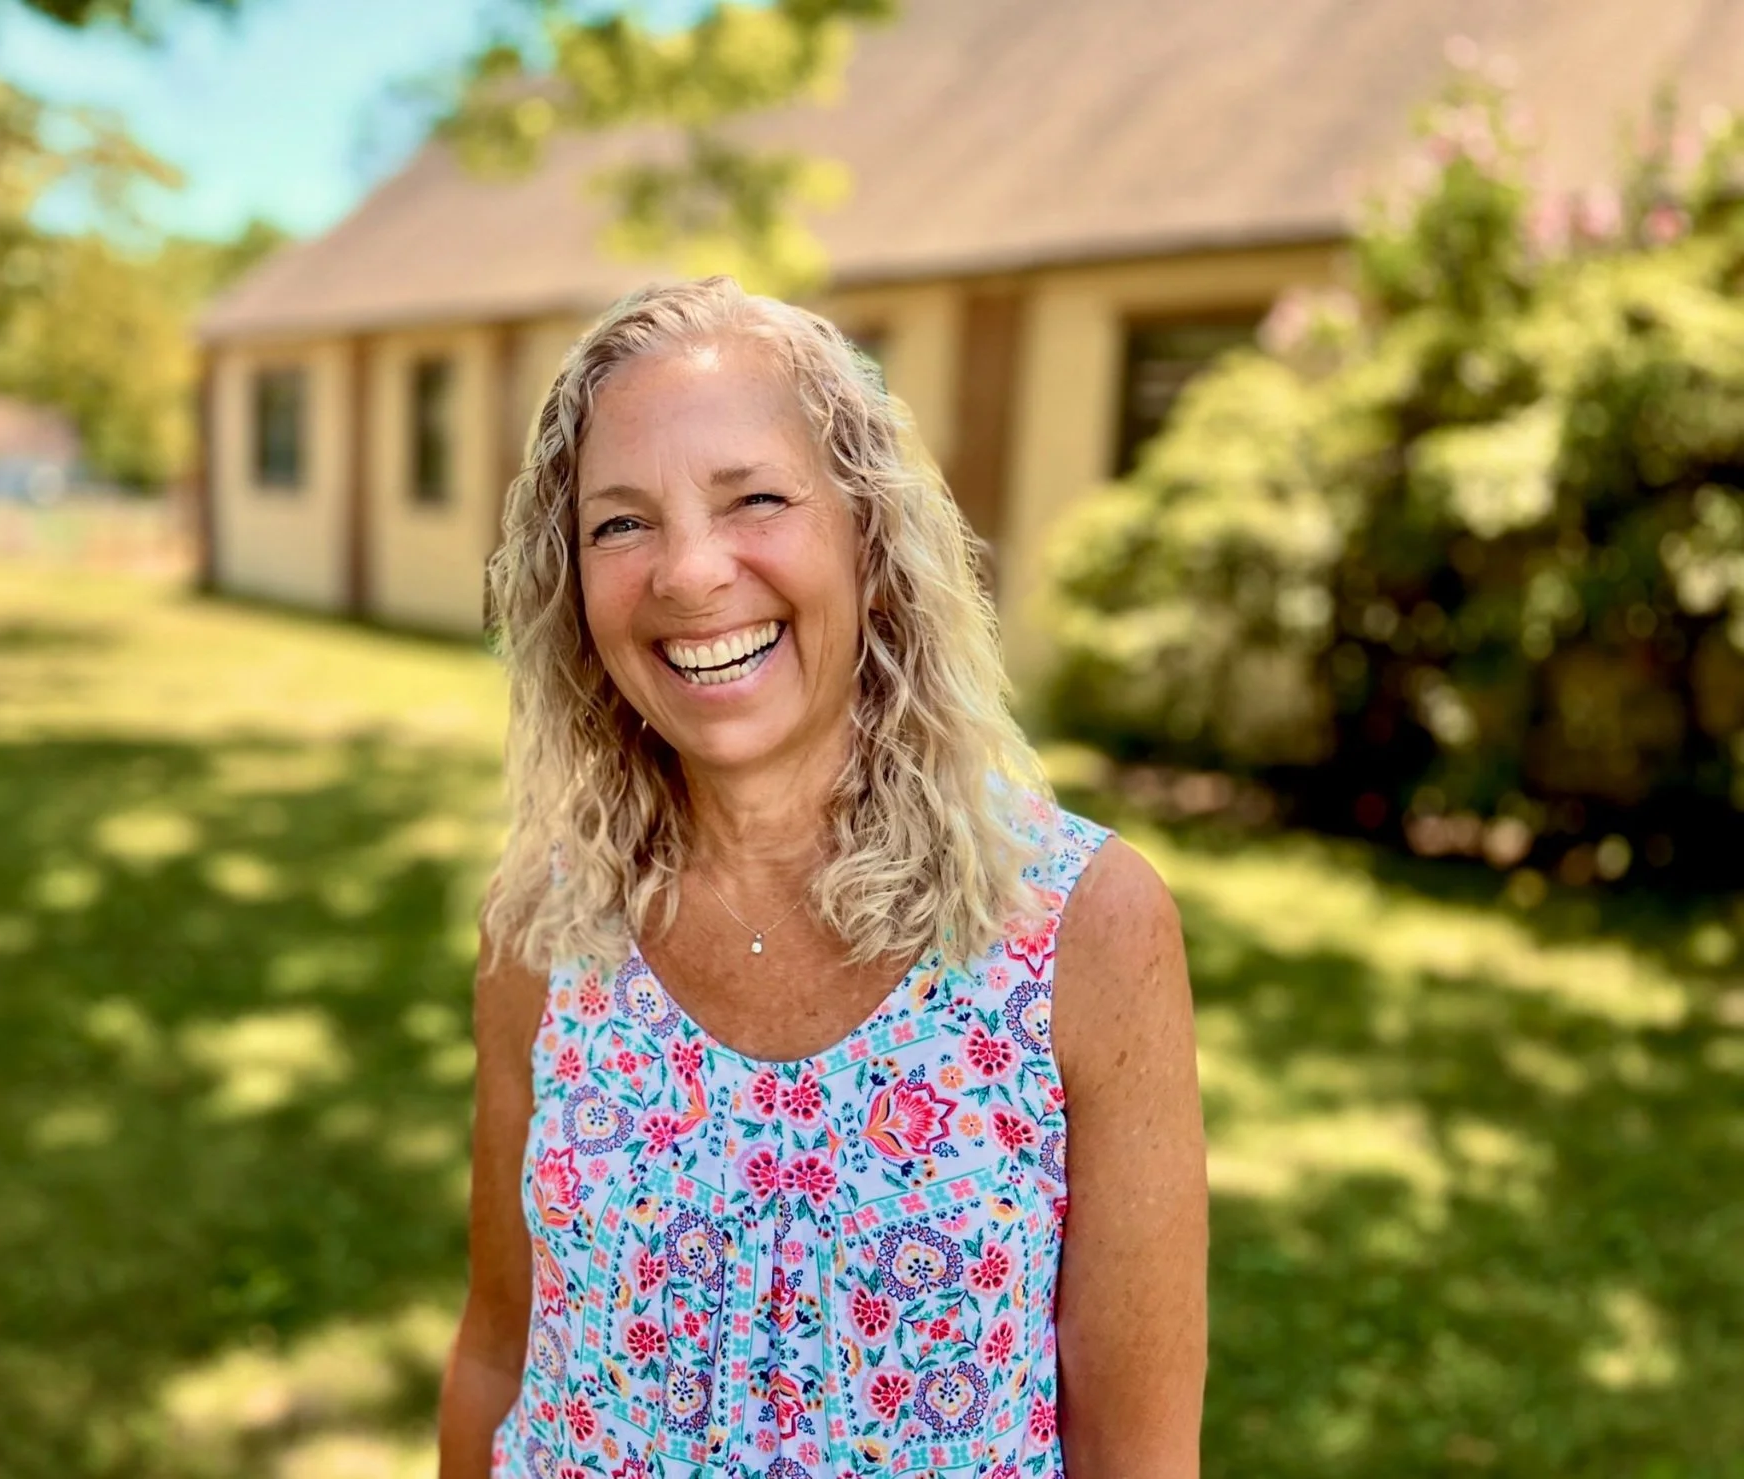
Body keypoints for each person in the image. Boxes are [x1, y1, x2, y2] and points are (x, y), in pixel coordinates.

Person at [439, 276, 1207, 1479]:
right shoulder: (544, 926)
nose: (689, 574)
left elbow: (1136, 1456)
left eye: (753, 499)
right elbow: (498, 1351)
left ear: (865, 533)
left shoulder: (1080, 927)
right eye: (620, 523)